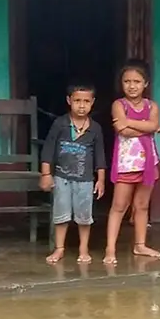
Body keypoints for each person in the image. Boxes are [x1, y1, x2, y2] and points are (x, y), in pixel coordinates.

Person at [40, 84, 106, 265]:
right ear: (69, 101)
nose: (81, 105)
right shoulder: (60, 123)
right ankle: (59, 248)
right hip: (62, 178)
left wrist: (101, 180)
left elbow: (100, 155)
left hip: (85, 180)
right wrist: (46, 173)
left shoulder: (95, 128)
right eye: (77, 101)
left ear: (92, 103)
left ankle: (83, 249)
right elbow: (48, 149)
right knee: (61, 215)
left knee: (84, 217)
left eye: (86, 101)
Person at [104, 60, 160, 264]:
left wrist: (129, 122)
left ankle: (140, 245)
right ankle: (110, 249)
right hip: (126, 164)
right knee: (118, 206)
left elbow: (153, 124)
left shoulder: (152, 106)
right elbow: (122, 131)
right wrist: (147, 127)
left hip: (148, 163)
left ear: (145, 83)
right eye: (127, 81)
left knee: (142, 206)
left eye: (137, 81)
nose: (131, 85)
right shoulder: (118, 105)